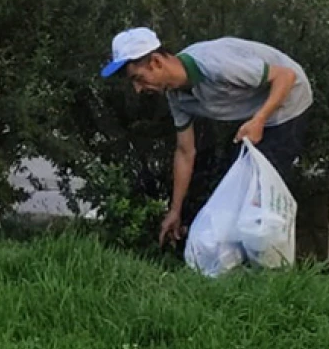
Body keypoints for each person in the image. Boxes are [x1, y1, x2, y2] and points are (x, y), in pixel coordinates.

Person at [100, 27, 313, 247]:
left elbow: (286, 76)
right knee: (235, 184)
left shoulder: (215, 65)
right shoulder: (177, 97)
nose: (137, 89)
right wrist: (175, 211)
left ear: (156, 62)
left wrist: (259, 120)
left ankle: (268, 265)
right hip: (257, 112)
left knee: (258, 191)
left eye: (139, 78)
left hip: (289, 100)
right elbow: (185, 152)